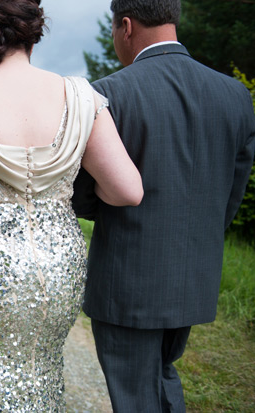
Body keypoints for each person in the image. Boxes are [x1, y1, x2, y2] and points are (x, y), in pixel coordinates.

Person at [0, 0, 143, 410]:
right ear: (33, 34)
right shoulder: (81, 96)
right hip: (56, 262)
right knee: (36, 369)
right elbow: (127, 191)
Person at [72, 1, 255, 412]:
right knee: (160, 374)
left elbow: (82, 193)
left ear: (125, 26)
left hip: (127, 283)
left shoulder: (108, 94)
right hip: (195, 277)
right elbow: (232, 188)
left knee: (135, 395)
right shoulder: (235, 94)